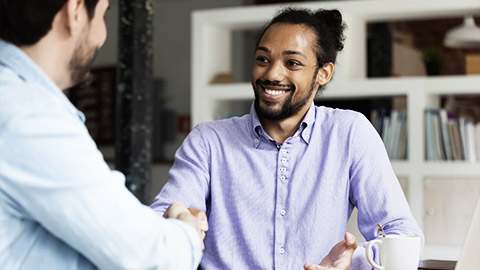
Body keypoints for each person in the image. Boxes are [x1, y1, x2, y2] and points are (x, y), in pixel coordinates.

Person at [151, 7, 424, 270]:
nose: (271, 74)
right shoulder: (208, 141)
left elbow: (404, 235)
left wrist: (356, 261)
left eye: (292, 63)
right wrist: (179, 219)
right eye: (263, 59)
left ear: (323, 73)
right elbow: (156, 225)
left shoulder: (349, 133)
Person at [0, 0, 207, 269]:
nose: (102, 35)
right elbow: (155, 258)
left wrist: (153, 225)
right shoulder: (28, 115)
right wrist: (187, 229)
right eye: (103, 14)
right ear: (75, 11)